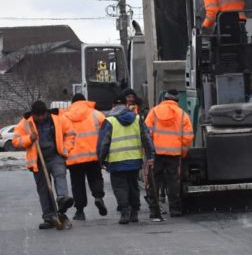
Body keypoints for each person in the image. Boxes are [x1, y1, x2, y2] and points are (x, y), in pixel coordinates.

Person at [12, 101, 76, 230]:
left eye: (43, 115)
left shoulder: (58, 119)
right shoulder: (26, 123)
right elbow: (16, 141)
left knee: (60, 175)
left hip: (55, 155)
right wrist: (29, 138)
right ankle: (49, 217)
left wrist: (65, 149)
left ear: (46, 112)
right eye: (38, 116)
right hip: (38, 160)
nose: (41, 118)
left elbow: (70, 134)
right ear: (33, 115)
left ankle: (62, 199)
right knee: (43, 189)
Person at [98, 97, 154, 224]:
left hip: (116, 161)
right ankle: (134, 212)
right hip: (134, 160)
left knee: (120, 187)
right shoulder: (137, 119)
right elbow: (147, 138)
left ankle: (125, 211)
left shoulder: (109, 121)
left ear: (113, 105)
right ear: (126, 104)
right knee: (133, 186)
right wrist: (150, 156)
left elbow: (103, 143)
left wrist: (100, 160)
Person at [144, 89, 194, 220]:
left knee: (154, 181)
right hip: (174, 154)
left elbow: (146, 133)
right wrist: (182, 152)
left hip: (156, 154)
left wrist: (149, 153)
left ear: (164, 99)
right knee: (173, 182)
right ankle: (175, 209)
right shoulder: (182, 114)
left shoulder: (154, 112)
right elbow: (188, 137)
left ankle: (154, 211)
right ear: (177, 100)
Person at [62, 93, 108, 221]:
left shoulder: (65, 116)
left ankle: (80, 211)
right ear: (85, 101)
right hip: (93, 155)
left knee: (78, 184)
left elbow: (60, 136)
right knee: (96, 178)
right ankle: (98, 197)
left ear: (72, 103)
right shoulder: (96, 114)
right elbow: (107, 132)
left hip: (73, 157)